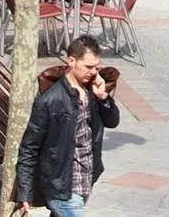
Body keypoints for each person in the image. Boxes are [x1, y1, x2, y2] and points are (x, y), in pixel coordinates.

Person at [13, 35, 121, 216]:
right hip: (60, 187)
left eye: (96, 67)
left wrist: (103, 97)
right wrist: (24, 191)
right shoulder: (50, 100)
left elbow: (112, 121)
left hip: (85, 179)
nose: (94, 72)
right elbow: (29, 147)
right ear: (71, 61)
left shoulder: (92, 91)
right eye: (88, 66)